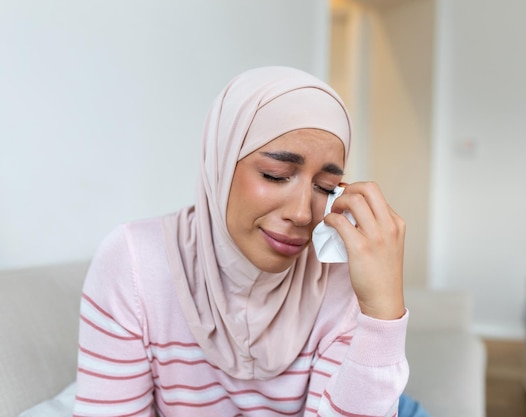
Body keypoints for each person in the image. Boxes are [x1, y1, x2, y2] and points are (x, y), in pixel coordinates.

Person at [73, 66, 428, 416]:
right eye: (276, 175)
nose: (303, 214)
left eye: (324, 187)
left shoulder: (340, 275)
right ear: (222, 163)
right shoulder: (134, 262)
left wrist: (382, 312)